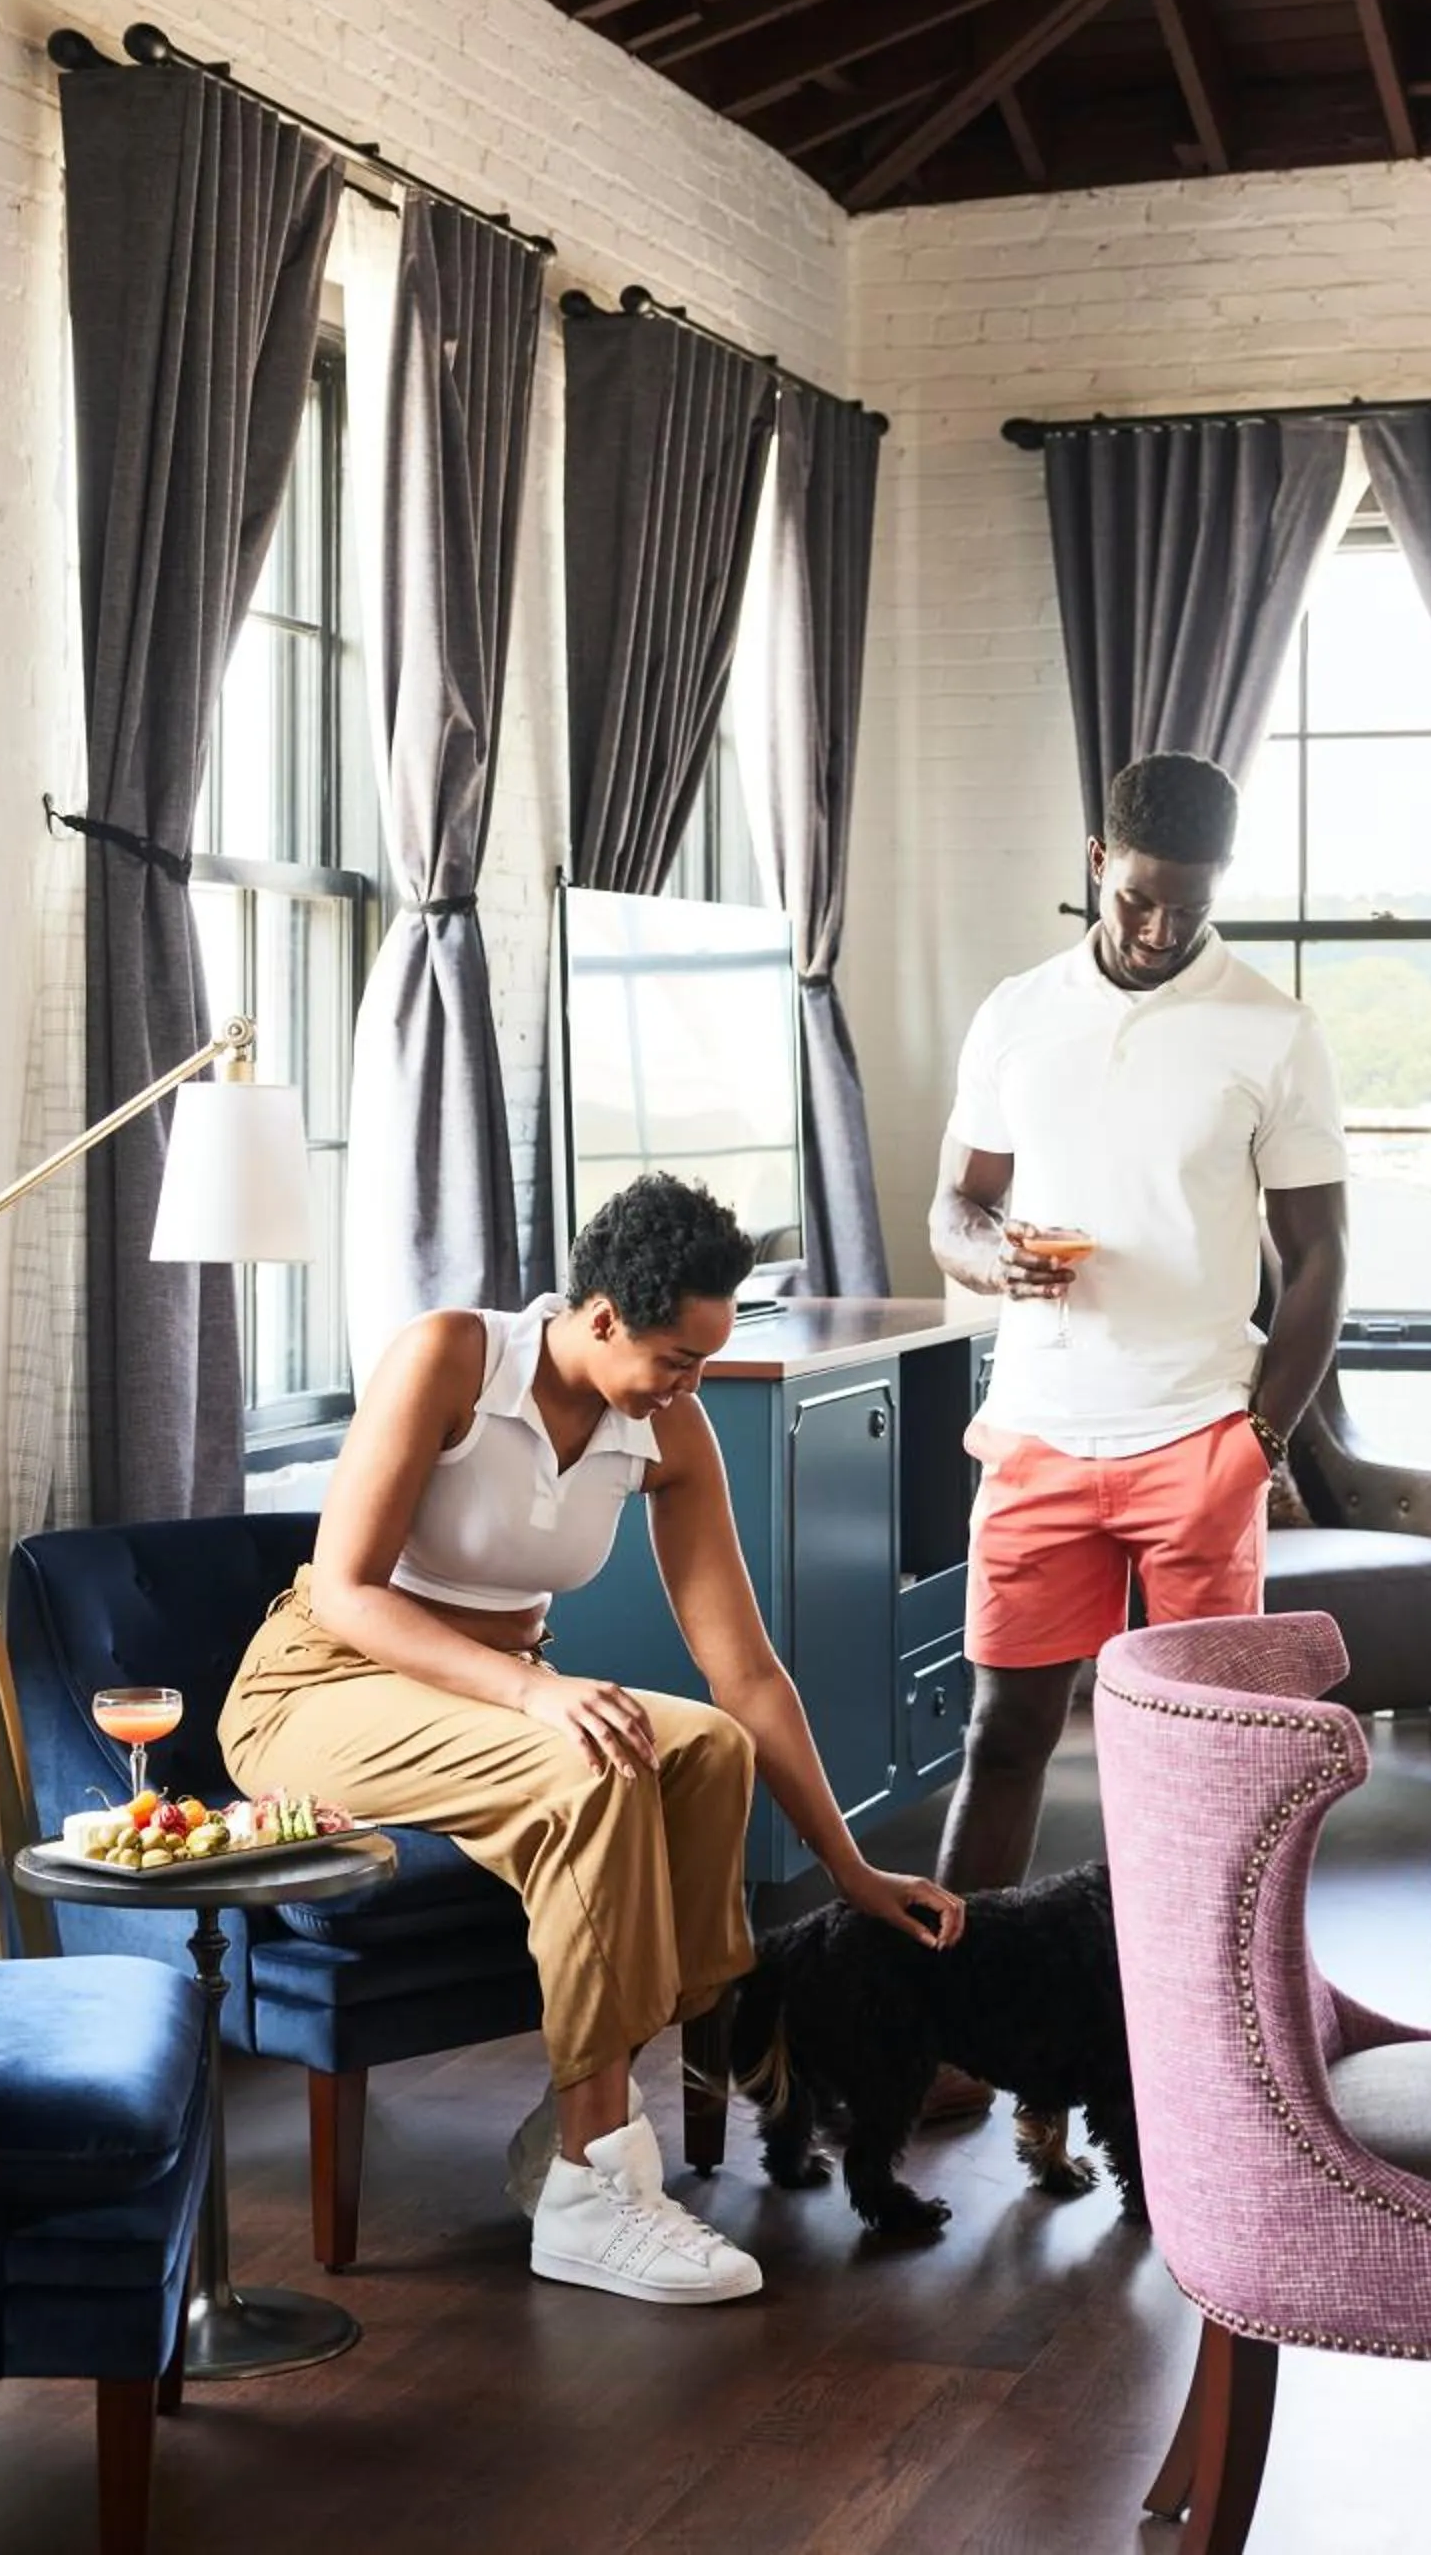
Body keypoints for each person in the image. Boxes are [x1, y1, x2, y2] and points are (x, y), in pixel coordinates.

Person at [218, 1170, 964, 2308]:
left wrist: (850, 1870)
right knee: (591, 1759)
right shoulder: (450, 1358)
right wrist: (530, 1698)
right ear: (602, 1314)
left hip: (483, 1695)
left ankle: (576, 2124)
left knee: (703, 1747)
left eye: (704, 1359)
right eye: (674, 1357)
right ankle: (584, 2188)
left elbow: (745, 1672)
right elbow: (347, 1595)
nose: (689, 1384)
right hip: (323, 1686)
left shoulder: (664, 1425)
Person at [928, 749, 1348, 1930]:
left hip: (1195, 1438)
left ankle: (1193, 2036)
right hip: (1035, 1438)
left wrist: (1255, 1440)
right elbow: (954, 1207)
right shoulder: (1016, 1014)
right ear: (1096, 861)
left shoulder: (1271, 1030)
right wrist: (988, 1258)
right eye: (1138, 897)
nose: (1162, 927)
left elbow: (1316, 1258)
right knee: (1002, 1737)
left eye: (1191, 905)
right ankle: (954, 2029)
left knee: (1200, 1756)